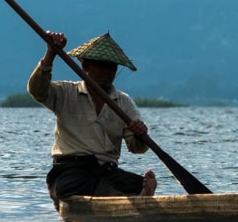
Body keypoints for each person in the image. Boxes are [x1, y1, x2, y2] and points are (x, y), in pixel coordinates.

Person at [30, 31, 158, 204]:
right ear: (85, 66)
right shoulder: (66, 92)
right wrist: (50, 54)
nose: (106, 71)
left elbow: (137, 148)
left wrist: (140, 134)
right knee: (72, 186)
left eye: (111, 67)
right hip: (72, 171)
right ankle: (131, 200)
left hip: (107, 171)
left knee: (132, 182)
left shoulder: (124, 102)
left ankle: (133, 197)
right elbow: (37, 90)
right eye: (101, 65)